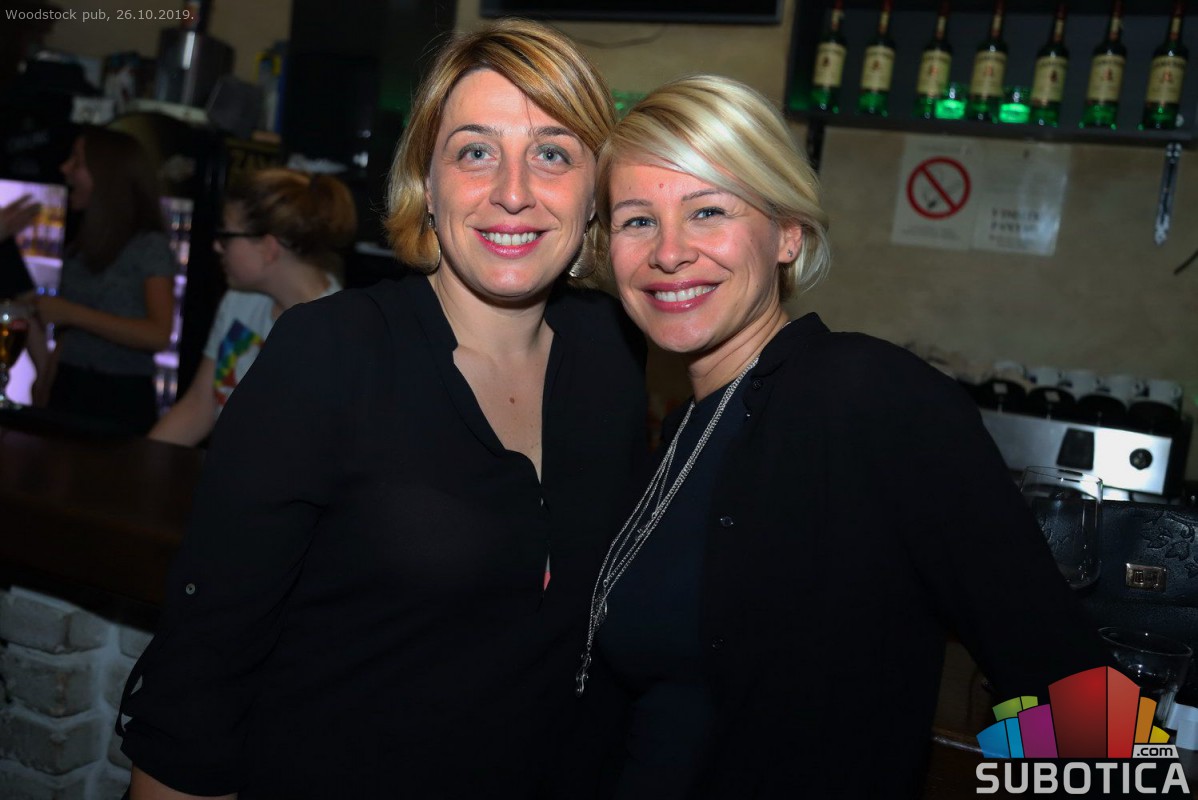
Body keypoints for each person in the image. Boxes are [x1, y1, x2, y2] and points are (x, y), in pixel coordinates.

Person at [118, 19, 647, 800]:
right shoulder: (330, 352)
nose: (513, 191)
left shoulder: (611, 354)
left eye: (553, 154)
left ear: (595, 191)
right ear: (427, 185)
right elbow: (201, 674)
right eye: (475, 152)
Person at [562, 75, 1110, 799]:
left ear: (788, 233)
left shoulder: (871, 396)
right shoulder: (683, 426)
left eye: (708, 211)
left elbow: (1066, 683)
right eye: (637, 220)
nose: (669, 252)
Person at [148, 169, 355, 446]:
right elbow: (200, 405)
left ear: (268, 248)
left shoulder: (336, 332)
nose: (217, 246)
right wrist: (141, 462)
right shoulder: (240, 299)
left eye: (227, 235)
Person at [27, 126, 175, 433]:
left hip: (120, 398)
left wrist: (73, 314)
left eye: (77, 162)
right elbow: (67, 336)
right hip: (69, 386)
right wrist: (46, 380)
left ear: (106, 176)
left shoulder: (149, 246)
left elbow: (158, 334)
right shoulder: (82, 243)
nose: (64, 168)